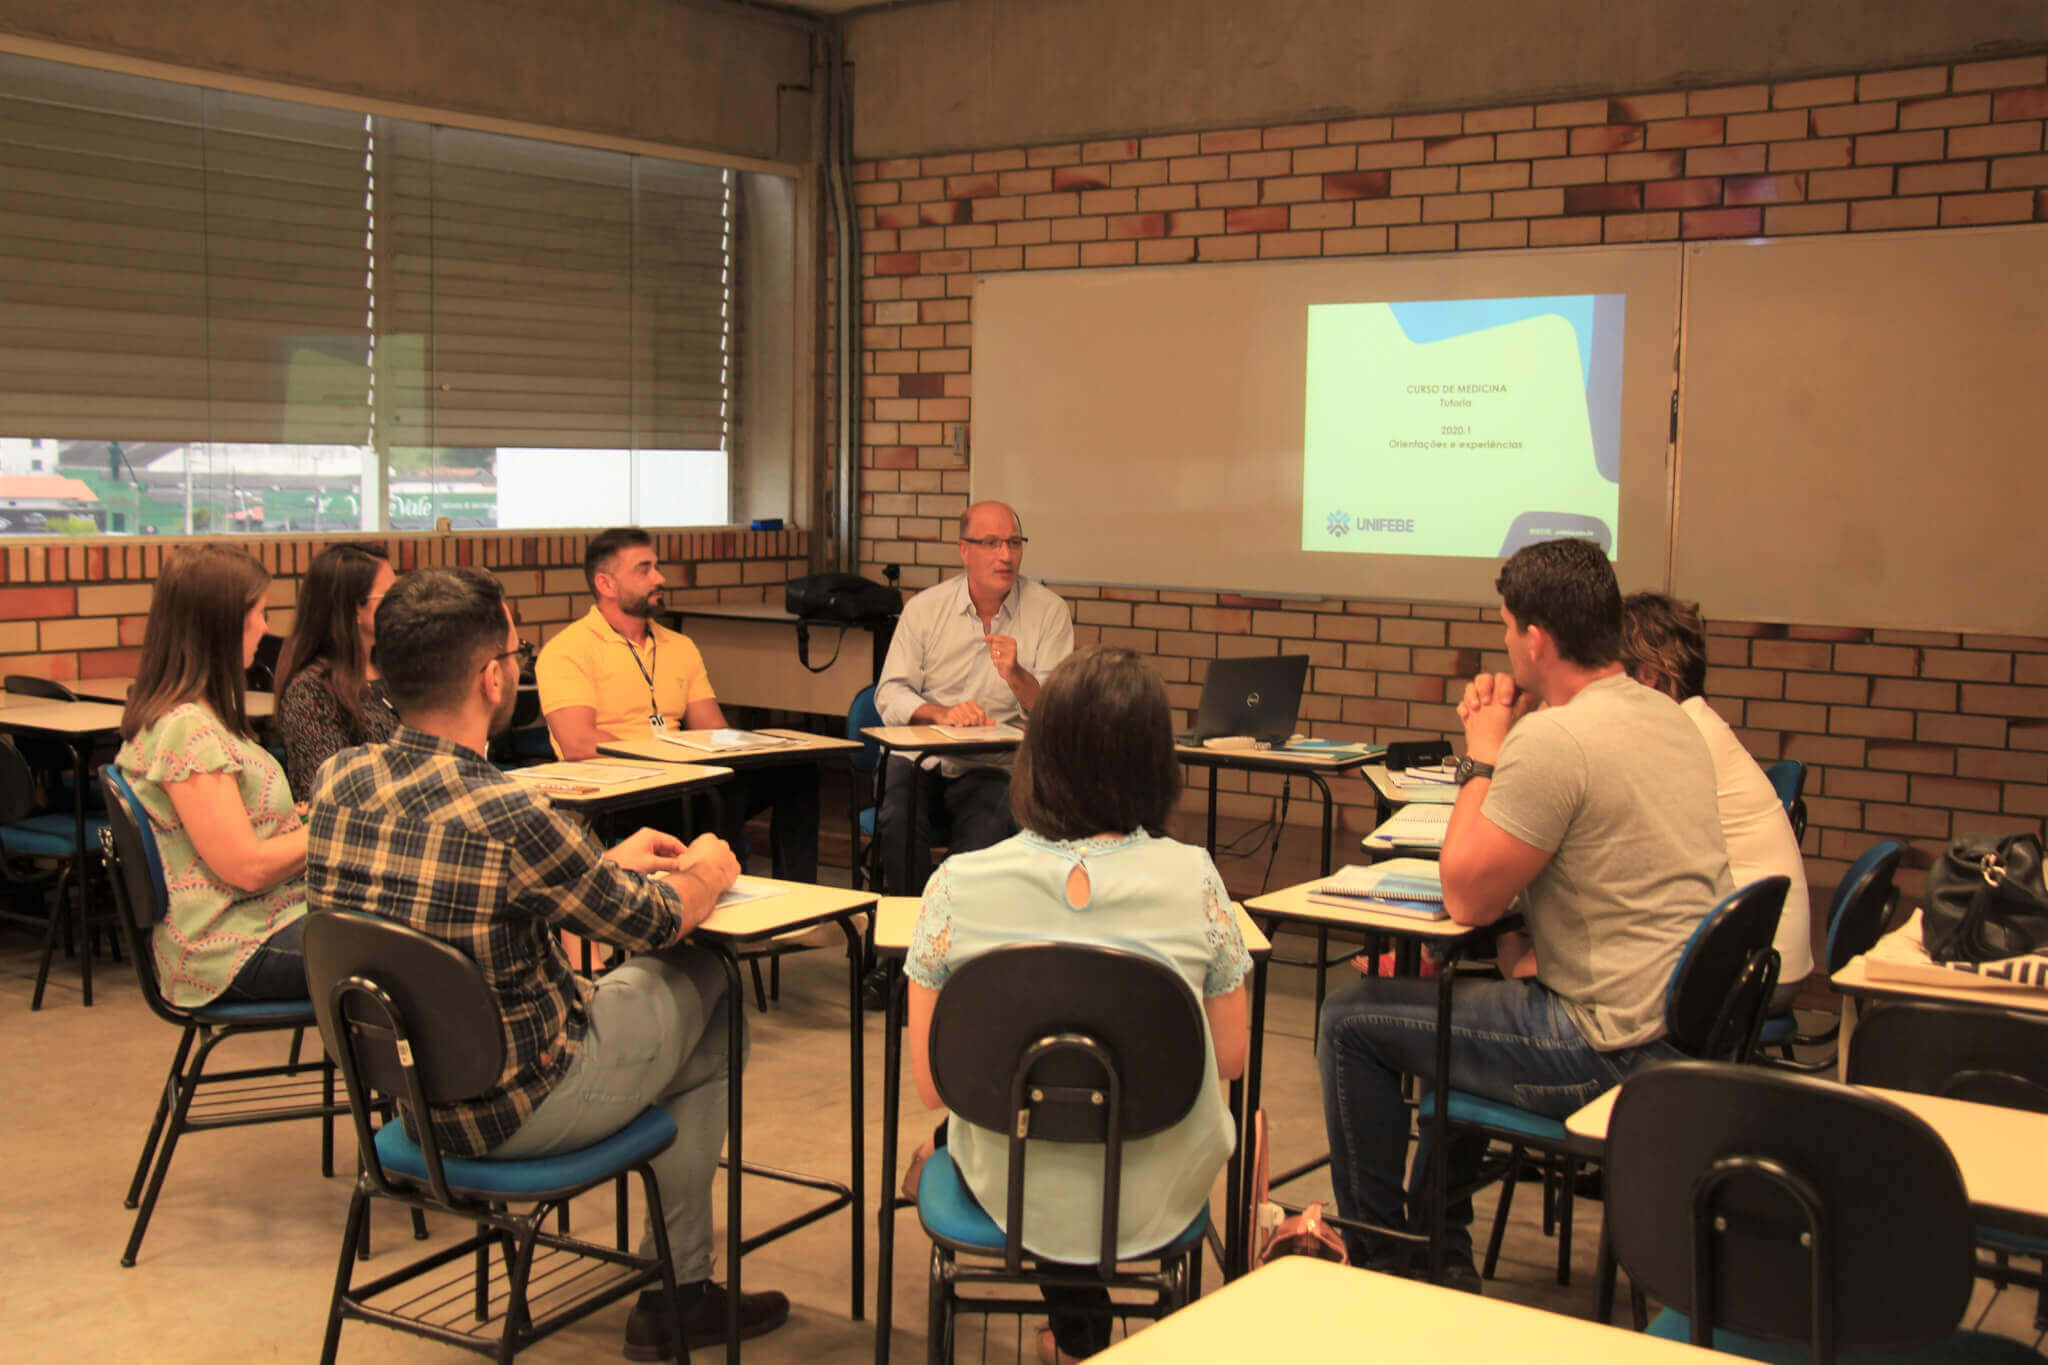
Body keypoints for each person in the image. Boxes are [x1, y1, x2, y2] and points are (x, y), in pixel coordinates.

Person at [305, 567, 789, 1358]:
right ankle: (681, 1291)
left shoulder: (338, 780)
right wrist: (711, 864)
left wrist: (599, 865)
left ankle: (680, 1277)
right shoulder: (510, 813)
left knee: (646, 996)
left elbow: (521, 887)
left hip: (404, 1102)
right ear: (493, 675)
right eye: (516, 650)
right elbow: (660, 919)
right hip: (514, 1108)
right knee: (707, 981)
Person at [1316, 539, 1731, 1287]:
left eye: (1507, 627)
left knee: (1350, 1021)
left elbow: (1467, 896)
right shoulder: (1664, 715)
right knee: (1464, 1017)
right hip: (1682, 1027)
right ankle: (1440, 1258)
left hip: (1604, 1045)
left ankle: (1382, 1266)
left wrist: (1483, 753)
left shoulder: (1554, 740)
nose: (1504, 643)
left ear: (1535, 638)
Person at [905, 646, 1250, 1364]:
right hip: (1157, 1187)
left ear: (1037, 753)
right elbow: (1232, 1056)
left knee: (968, 1136)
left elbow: (935, 1082)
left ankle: (1070, 1329)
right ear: (1158, 762)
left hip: (1011, 1183)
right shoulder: (1197, 880)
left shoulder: (957, 885)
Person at [536, 528, 819, 881]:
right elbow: (577, 743)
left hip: (682, 779)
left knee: (797, 774)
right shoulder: (568, 650)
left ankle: (803, 910)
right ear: (606, 584)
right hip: (617, 789)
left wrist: (758, 746)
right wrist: (665, 755)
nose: (660, 578)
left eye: (657, 566)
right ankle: (718, 901)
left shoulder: (679, 645)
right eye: (644, 569)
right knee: (724, 790)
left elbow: (713, 732)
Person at [115, 545, 308, 1007]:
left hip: (259, 924)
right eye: (259, 613)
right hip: (230, 947)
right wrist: (336, 826)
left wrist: (293, 820)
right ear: (220, 624)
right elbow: (247, 867)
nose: (265, 627)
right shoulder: (187, 729)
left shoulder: (196, 716)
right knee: (416, 953)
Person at [1620, 590, 1814, 1011]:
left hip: (1747, 977)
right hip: (1762, 962)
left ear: (1648, 675)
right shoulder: (1697, 724)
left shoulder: (1678, 741)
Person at [875, 500, 1074, 893]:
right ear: (964, 550)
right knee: (898, 813)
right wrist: (940, 713)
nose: (1006, 555)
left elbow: (1057, 713)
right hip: (921, 761)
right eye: (992, 543)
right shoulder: (925, 609)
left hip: (993, 767)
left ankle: (958, 938)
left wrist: (1017, 675)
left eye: (1015, 543)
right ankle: (906, 940)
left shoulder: (1049, 612)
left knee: (984, 832)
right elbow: (889, 693)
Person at [273, 542, 399, 799]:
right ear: (354, 607)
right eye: (389, 597)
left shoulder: (394, 668)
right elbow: (329, 794)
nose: (402, 606)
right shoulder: (311, 692)